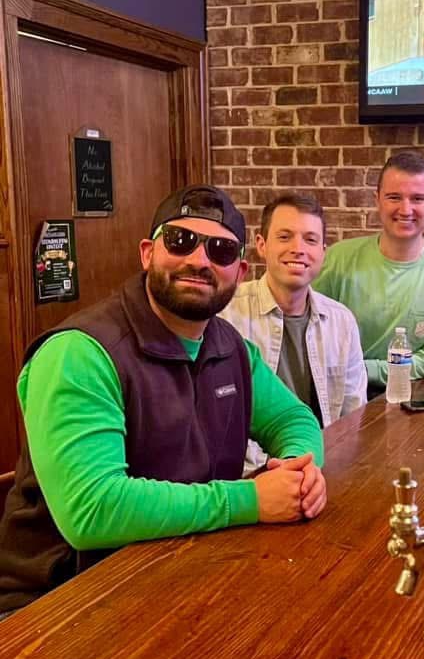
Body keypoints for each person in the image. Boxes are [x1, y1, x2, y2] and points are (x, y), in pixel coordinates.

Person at [0, 184, 326, 615]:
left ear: (240, 271)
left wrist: (301, 472)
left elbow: (293, 418)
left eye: (221, 251)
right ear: (147, 253)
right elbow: (92, 510)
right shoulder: (79, 353)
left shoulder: (229, 346)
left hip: (179, 576)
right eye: (180, 241)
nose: (199, 261)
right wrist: (250, 500)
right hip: (57, 604)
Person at [222, 193, 366, 471]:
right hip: (248, 475)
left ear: (323, 251)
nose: (298, 249)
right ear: (262, 245)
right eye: (285, 237)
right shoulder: (226, 315)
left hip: (323, 468)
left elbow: (353, 417)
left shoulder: (342, 322)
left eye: (310, 240)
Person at [313, 151, 424, 394]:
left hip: (411, 397)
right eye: (394, 197)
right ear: (377, 200)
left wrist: (362, 370)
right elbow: (312, 335)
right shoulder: (338, 258)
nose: (405, 209)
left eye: (417, 198)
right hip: (337, 393)